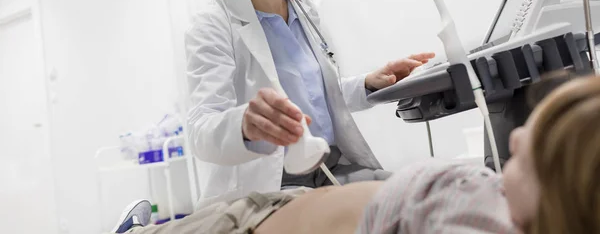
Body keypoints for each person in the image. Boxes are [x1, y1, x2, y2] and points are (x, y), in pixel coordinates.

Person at [184, 0, 434, 206]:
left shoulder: (302, 6)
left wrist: (369, 85)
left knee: (425, 194)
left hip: (334, 169)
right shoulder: (214, 23)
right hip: (274, 184)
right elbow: (202, 130)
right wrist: (246, 125)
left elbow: (312, 98)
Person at [109, 71, 600, 233]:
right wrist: (244, 122)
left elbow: (318, 93)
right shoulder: (504, 200)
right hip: (267, 200)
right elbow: (202, 126)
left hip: (249, 223)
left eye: (536, 148)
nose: (514, 137)